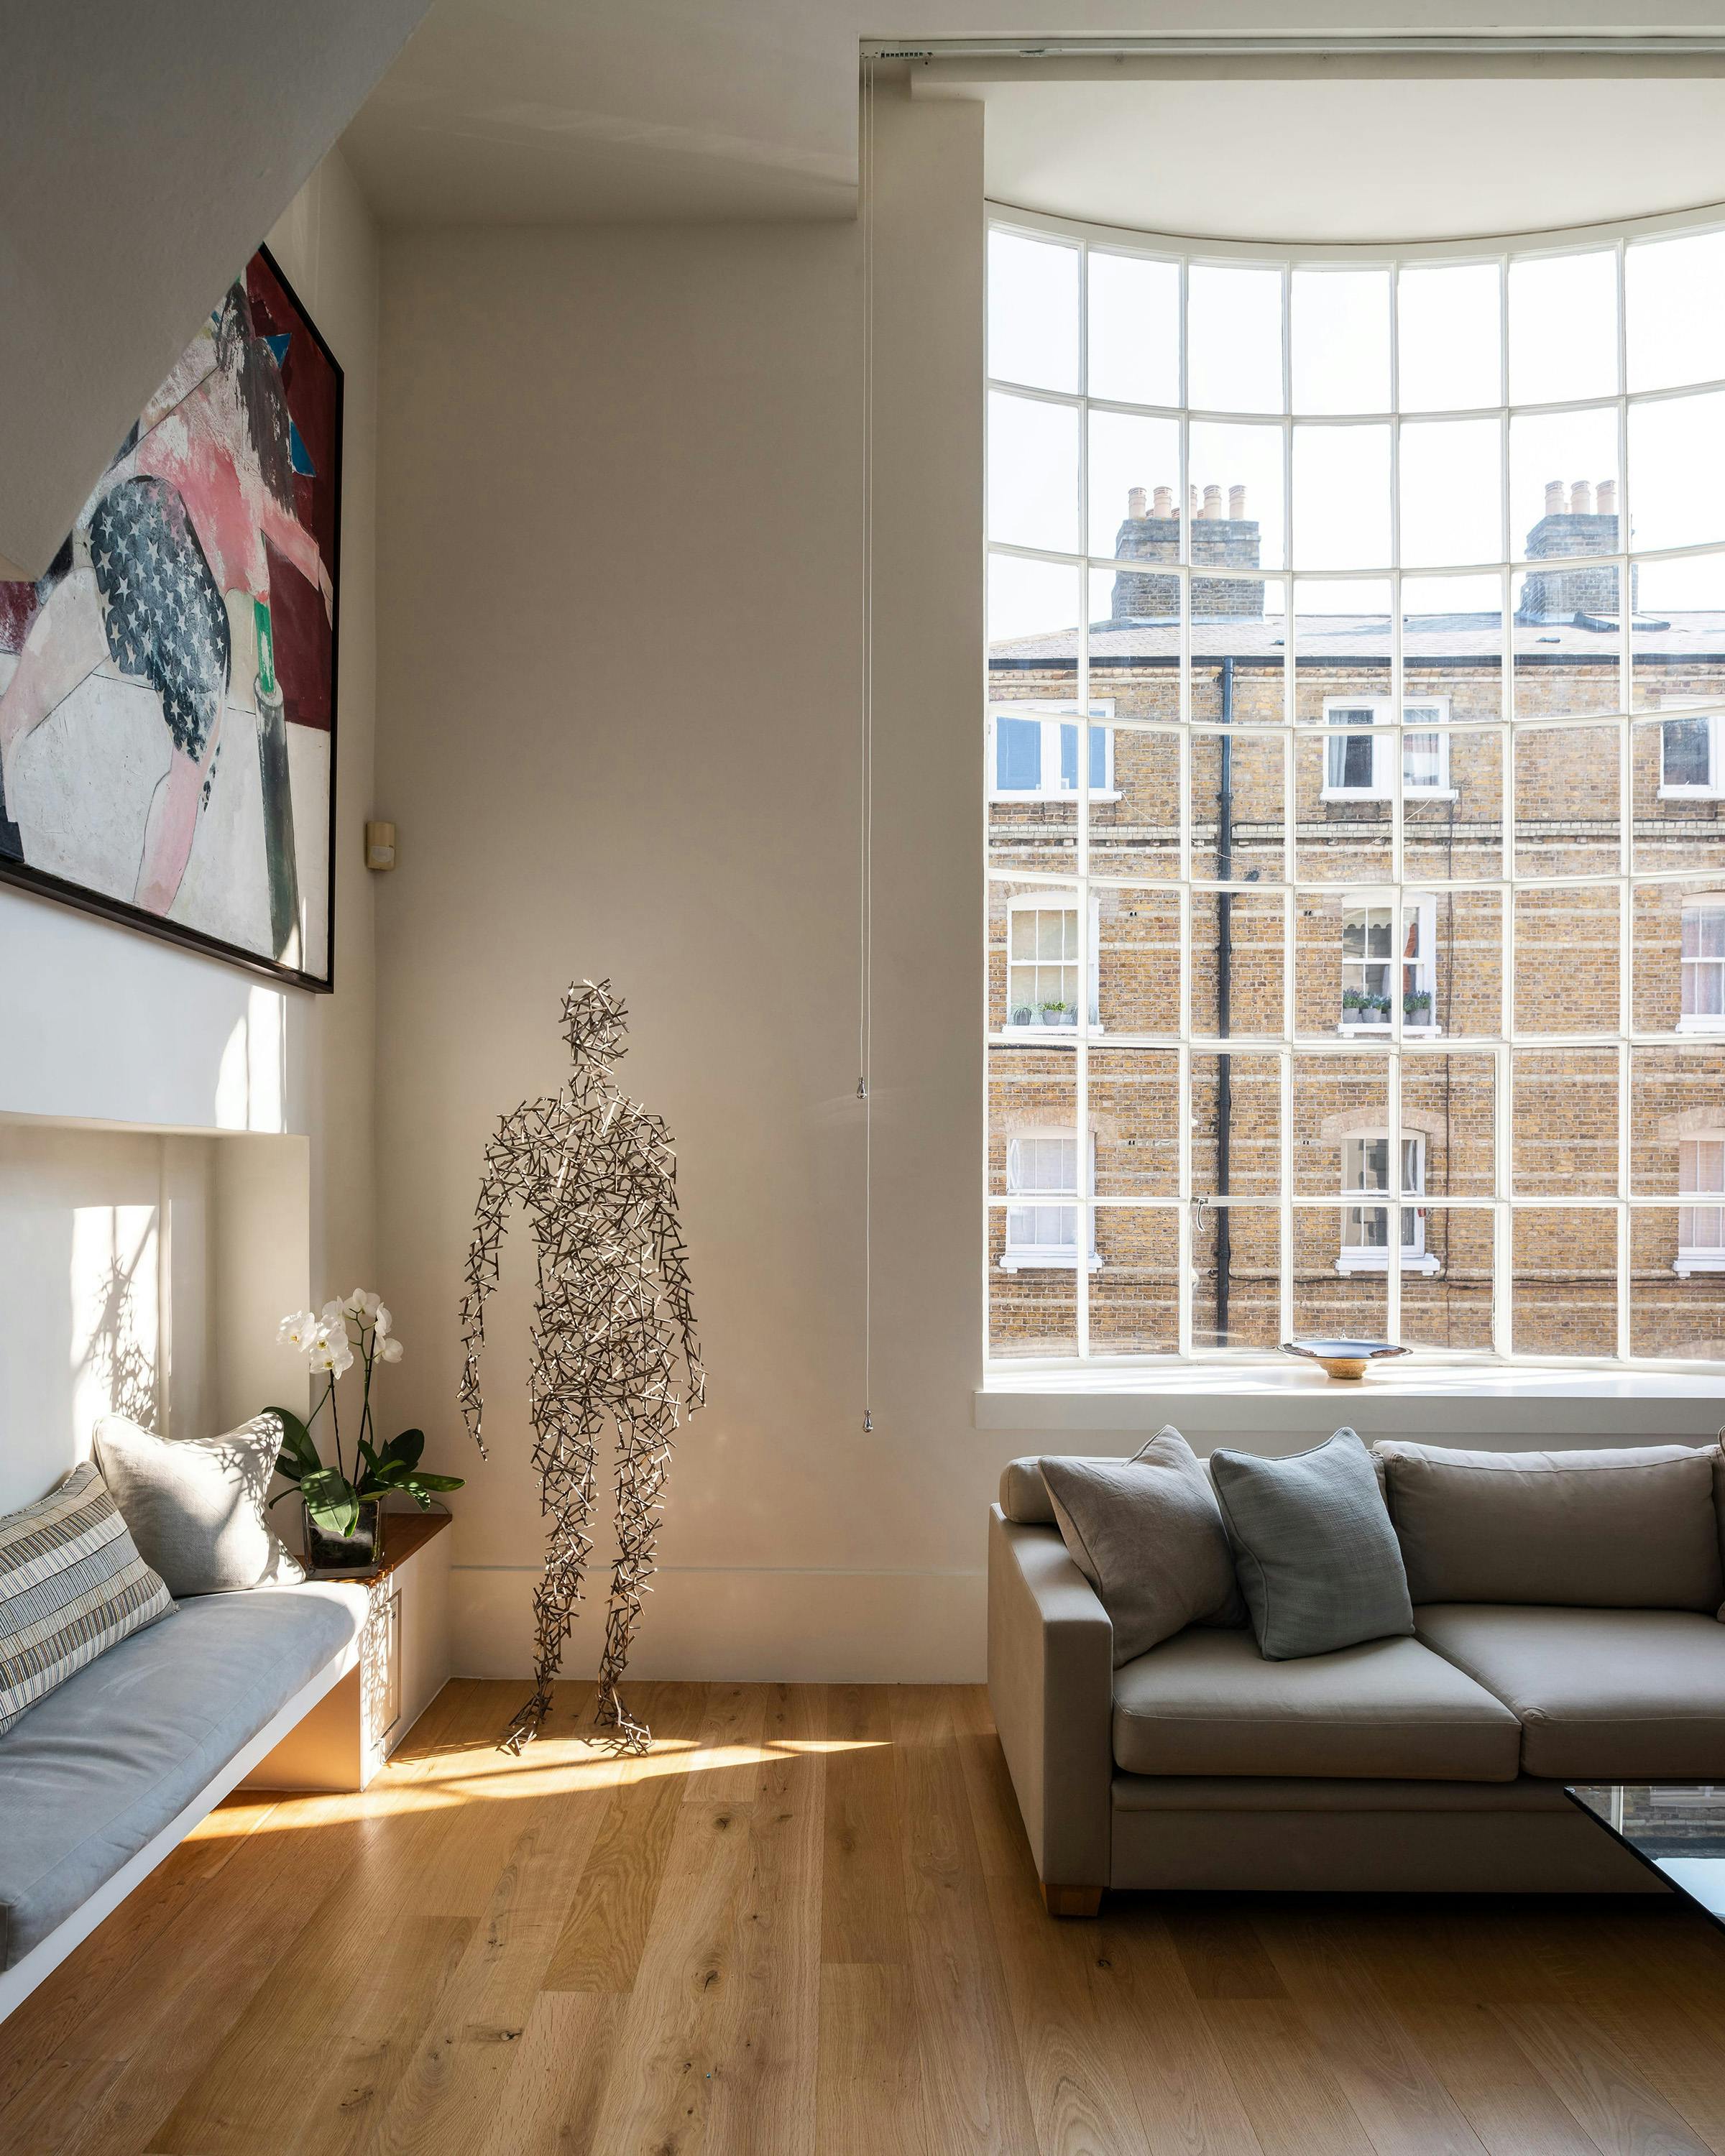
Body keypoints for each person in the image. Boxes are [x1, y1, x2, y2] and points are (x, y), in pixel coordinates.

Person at [0, 281, 331, 955]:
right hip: (161, 528)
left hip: (132, 517)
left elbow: (290, 545)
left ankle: (147, 909)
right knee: (195, 749)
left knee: (94, 619)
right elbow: (280, 549)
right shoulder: (226, 421)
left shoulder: (232, 445)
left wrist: (316, 571)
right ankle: (153, 913)